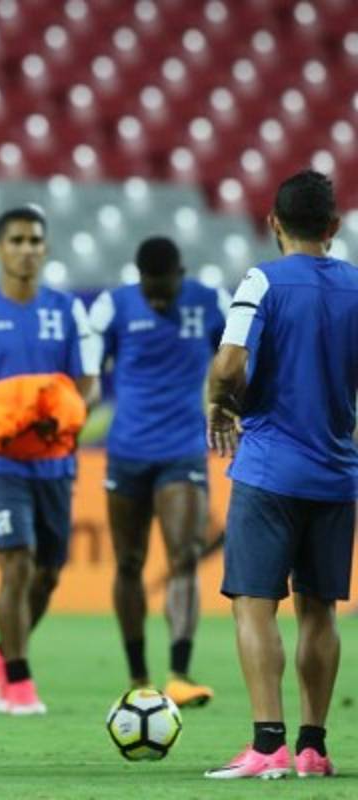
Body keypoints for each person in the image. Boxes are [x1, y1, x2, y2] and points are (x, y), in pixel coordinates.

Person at [204, 170, 356, 780]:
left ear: (273, 222)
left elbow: (229, 362)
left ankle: (268, 744)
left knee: (255, 603)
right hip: (337, 473)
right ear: (333, 226)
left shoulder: (261, 281)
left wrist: (221, 401)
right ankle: (313, 748)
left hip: (270, 470)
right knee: (321, 610)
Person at [0, 206, 99, 715]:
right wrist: (5, 419)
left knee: (48, 574)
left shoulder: (68, 311)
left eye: (34, 240)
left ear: (45, 249)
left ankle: (0, 655)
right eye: (16, 240)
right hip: (3, 462)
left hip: (56, 461)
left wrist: (65, 416)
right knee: (17, 562)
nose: (26, 249)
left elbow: (88, 383)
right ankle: (17, 679)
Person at [88, 237, 227, 705]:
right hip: (126, 452)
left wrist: (230, 401)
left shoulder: (211, 302)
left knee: (184, 556)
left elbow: (237, 358)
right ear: (140, 278)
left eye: (164, 289)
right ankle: (138, 678)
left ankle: (179, 675)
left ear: (180, 275)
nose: (158, 299)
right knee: (129, 562)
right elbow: (87, 368)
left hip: (182, 452)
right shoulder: (114, 306)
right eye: (150, 290)